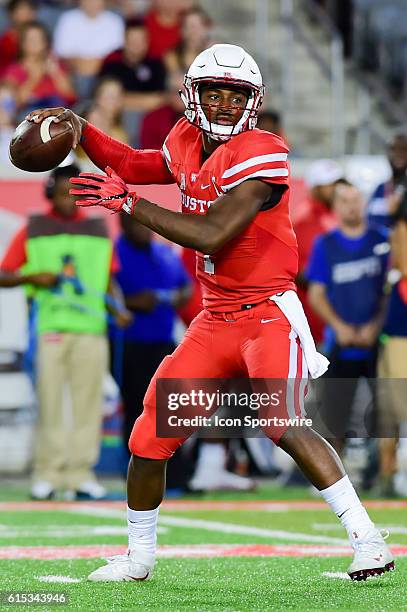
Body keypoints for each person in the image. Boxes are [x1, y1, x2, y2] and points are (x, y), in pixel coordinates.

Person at [28, 43, 394, 582]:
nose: (224, 103)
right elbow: (133, 163)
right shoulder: (182, 138)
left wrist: (128, 203)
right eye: (214, 92)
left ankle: (370, 542)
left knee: (281, 422)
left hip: (267, 311)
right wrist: (83, 131)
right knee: (149, 436)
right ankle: (139, 558)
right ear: (192, 95)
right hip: (216, 318)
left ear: (254, 100)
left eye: (236, 94)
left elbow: (212, 232)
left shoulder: (262, 151)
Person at [0, 164, 130, 501]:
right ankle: (48, 474)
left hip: (91, 328)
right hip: (51, 328)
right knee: (50, 403)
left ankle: (81, 474)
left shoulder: (100, 230)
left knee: (88, 406)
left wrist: (119, 308)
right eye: (62, 193)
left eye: (75, 194)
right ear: (49, 191)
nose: (69, 200)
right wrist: (34, 277)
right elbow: (4, 274)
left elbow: (110, 279)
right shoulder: (34, 228)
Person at [307, 181, 389, 452]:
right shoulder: (326, 244)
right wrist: (339, 327)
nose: (352, 206)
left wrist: (375, 325)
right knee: (333, 416)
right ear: (336, 207)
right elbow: (316, 293)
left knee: (385, 413)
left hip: (378, 342)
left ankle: (381, 474)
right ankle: (335, 477)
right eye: (344, 200)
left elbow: (392, 289)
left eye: (356, 199)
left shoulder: (383, 240)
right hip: (338, 343)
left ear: (364, 203)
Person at [112, 212, 192, 453]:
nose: (145, 230)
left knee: (171, 410)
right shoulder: (114, 253)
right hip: (129, 343)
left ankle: (175, 474)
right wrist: (133, 302)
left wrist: (179, 297)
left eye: (147, 225)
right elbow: (105, 292)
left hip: (164, 342)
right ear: (124, 224)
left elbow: (186, 285)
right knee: (137, 408)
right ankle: (135, 466)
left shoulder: (164, 252)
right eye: (139, 225)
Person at [293, 159, 343, 344]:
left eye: (337, 183)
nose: (335, 189)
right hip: (314, 320)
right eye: (329, 185)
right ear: (315, 188)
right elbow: (298, 271)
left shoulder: (336, 214)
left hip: (337, 317)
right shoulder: (304, 221)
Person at [53, 0, 124, 100]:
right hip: (75, 72)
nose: (92, 2)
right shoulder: (67, 19)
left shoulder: (115, 21)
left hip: (105, 72)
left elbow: (118, 54)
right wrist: (81, 64)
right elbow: (60, 54)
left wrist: (95, 66)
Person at [5, 20, 75, 118]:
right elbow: (16, 101)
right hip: (29, 114)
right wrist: (35, 77)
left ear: (46, 43)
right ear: (22, 43)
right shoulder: (15, 69)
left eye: (39, 39)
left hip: (57, 112)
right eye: (31, 39)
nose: (35, 43)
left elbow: (70, 96)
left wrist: (55, 72)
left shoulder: (56, 65)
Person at [367, 131, 407, 228]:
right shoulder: (380, 188)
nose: (398, 154)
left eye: (404, 149)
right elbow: (370, 221)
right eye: (394, 149)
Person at [164, 6, 212, 77]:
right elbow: (178, 82)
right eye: (191, 26)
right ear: (182, 30)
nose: (195, 31)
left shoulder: (214, 51)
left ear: (205, 28)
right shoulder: (172, 56)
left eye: (199, 26)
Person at [0, 0, 36, 79]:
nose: (27, 15)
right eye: (22, 10)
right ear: (11, 14)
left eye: (30, 10)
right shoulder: (5, 42)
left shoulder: (40, 38)